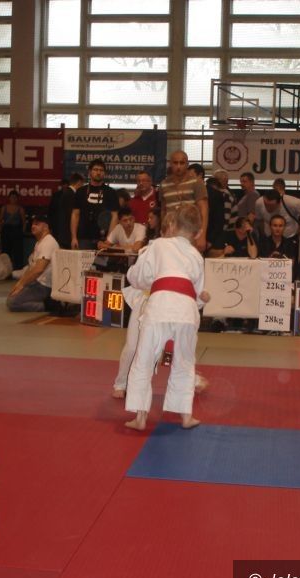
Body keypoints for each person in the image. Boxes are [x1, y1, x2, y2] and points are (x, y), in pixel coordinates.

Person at [124, 204, 209, 431]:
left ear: (172, 224)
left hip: (159, 306)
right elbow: (198, 294)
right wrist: (203, 300)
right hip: (186, 311)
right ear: (198, 233)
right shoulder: (197, 256)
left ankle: (140, 417)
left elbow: (139, 277)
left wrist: (137, 277)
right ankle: (186, 417)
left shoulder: (158, 245)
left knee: (144, 359)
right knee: (184, 362)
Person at [6, 215, 59, 312]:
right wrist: (19, 284)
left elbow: (39, 269)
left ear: (45, 227)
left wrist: (22, 284)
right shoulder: (39, 243)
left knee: (12, 302)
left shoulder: (49, 242)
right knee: (12, 296)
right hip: (37, 283)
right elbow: (31, 268)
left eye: (37, 224)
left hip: (45, 286)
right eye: (32, 224)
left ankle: (48, 305)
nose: (33, 226)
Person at [158, 150, 208, 252]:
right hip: (171, 233)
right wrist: (163, 230)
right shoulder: (163, 184)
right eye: (175, 163)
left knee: (191, 260)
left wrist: (202, 235)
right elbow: (163, 210)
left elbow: (204, 209)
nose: (178, 166)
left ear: (187, 164)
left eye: (182, 163)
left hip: (191, 232)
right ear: (170, 164)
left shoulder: (197, 182)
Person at [71, 159, 119, 250]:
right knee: (82, 260)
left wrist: (109, 239)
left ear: (104, 173)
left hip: (103, 238)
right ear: (90, 172)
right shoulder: (81, 191)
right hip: (83, 238)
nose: (98, 172)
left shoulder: (111, 192)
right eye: (96, 169)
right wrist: (74, 237)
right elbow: (75, 214)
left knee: (103, 260)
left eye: (101, 170)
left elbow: (115, 216)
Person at [48, 173, 85, 249]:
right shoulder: (70, 194)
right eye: (82, 184)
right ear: (79, 183)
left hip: (65, 233)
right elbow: (71, 215)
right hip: (67, 234)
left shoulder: (67, 193)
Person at [0, 190, 26, 269]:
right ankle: (5, 268)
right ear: (9, 198)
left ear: (17, 198)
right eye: (12, 197)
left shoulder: (20, 209)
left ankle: (18, 268)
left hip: (16, 231)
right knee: (6, 251)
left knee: (17, 251)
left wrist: (22, 233)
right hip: (6, 231)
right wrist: (0, 231)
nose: (13, 199)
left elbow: (24, 222)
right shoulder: (4, 208)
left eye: (15, 197)